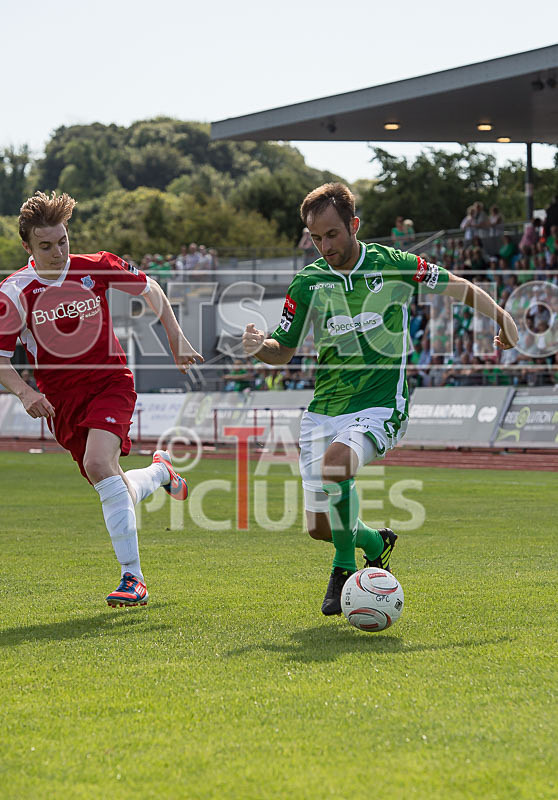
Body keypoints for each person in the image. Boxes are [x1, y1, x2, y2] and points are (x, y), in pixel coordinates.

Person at [242, 183, 518, 616]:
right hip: (323, 411)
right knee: (320, 528)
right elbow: (283, 351)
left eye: (332, 234)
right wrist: (260, 345)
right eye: (316, 238)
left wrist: (502, 316)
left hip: (379, 405)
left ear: (353, 225)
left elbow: (457, 287)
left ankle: (343, 573)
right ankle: (375, 542)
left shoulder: (392, 265)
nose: (325, 245)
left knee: (337, 467)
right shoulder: (308, 282)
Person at [0, 192, 203, 607]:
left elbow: (152, 289)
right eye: (46, 245)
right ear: (27, 247)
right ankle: (161, 473)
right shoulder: (14, 292)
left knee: (98, 464)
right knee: (112, 482)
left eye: (63, 241)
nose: (58, 252)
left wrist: (176, 337)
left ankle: (134, 579)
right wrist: (25, 392)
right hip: (62, 401)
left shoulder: (98, 267)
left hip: (112, 382)